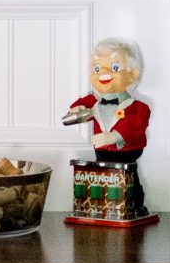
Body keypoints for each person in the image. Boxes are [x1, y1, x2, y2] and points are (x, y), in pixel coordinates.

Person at [64, 36, 153, 223]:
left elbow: (136, 126)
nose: (102, 72)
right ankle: (103, 205)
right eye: (96, 68)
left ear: (133, 74)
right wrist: (77, 109)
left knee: (129, 178)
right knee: (102, 179)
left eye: (114, 67)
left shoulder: (138, 107)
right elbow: (81, 105)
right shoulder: (93, 101)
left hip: (126, 151)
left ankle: (135, 206)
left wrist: (114, 136)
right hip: (102, 153)